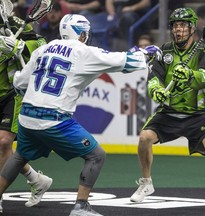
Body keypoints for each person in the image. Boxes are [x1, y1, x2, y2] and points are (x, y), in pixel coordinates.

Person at [0, 14, 162, 216]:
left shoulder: (43, 49)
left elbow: (19, 83)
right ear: (81, 33)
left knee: (19, 156)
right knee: (96, 155)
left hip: (27, 116)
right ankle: (81, 206)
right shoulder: (83, 52)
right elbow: (125, 62)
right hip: (54, 119)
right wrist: (146, 53)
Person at [130, 7, 205, 211]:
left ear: (192, 28)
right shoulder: (164, 51)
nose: (178, 30)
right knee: (144, 138)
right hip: (168, 112)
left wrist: (189, 74)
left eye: (182, 26)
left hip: (197, 114)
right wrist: (157, 91)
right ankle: (146, 183)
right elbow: (153, 78)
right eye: (175, 26)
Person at [0, 12, 53, 212]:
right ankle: (37, 179)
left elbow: (41, 45)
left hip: (12, 93)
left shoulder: (14, 23)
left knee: (4, 142)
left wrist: (21, 48)